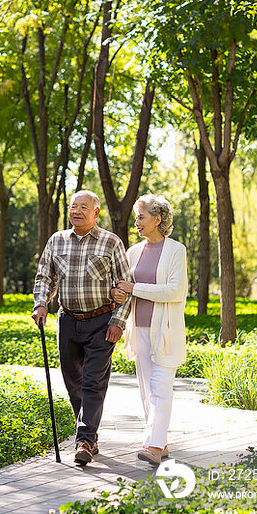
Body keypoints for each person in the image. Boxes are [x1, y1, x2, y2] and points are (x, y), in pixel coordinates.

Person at [32, 190, 131, 465]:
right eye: (73, 206)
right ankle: (90, 434)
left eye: (83, 207)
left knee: (92, 382)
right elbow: (44, 276)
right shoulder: (57, 240)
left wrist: (118, 322)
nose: (75, 211)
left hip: (101, 321)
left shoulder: (111, 243)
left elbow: (125, 285)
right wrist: (41, 304)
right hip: (68, 320)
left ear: (96, 213)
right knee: (73, 381)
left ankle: (85, 440)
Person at [112, 194, 187, 466]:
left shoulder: (176, 250)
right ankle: (159, 442)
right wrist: (118, 292)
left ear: (158, 219)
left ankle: (153, 445)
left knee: (160, 388)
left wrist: (134, 288)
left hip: (165, 332)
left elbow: (175, 291)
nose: (137, 222)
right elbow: (124, 287)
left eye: (141, 217)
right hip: (138, 330)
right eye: (136, 217)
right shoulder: (133, 252)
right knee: (146, 390)